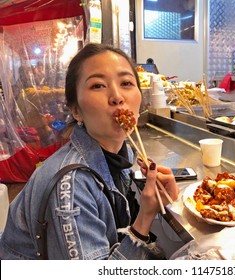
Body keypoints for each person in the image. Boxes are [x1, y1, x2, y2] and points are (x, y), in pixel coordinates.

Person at [0, 43, 179, 260]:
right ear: (76, 110)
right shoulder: (72, 185)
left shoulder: (123, 154)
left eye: (126, 83)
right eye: (98, 86)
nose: (117, 96)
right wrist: (145, 216)